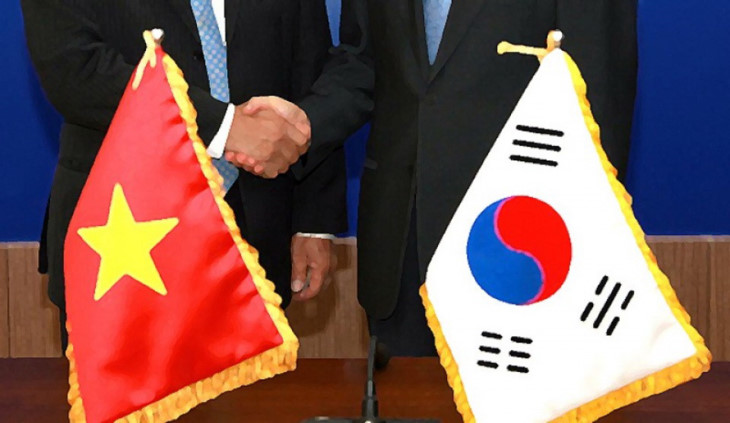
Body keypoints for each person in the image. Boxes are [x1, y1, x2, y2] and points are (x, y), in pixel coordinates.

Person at [237, 0, 638, 356]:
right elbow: (362, 62)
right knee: (403, 404)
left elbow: (598, 89)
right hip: (401, 250)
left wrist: (585, 245)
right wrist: (305, 124)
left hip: (522, 249)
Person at [21, 0, 368, 351]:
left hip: (258, 234)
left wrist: (313, 220)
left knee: (257, 388)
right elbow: (74, 68)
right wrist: (226, 127)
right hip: (121, 238)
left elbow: (309, 64)